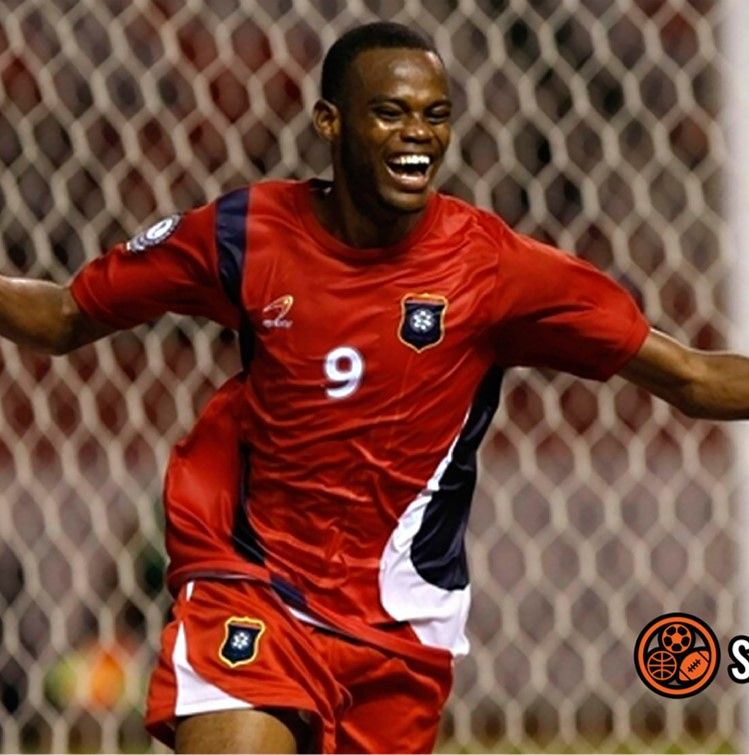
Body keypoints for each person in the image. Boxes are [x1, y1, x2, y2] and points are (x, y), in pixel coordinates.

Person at [3, 19, 749, 754]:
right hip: (254, 584)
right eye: (390, 113)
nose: (417, 135)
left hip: (400, 628)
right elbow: (67, 316)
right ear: (329, 121)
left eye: (435, 114)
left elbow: (692, 376)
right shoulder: (246, 233)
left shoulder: (492, 269)